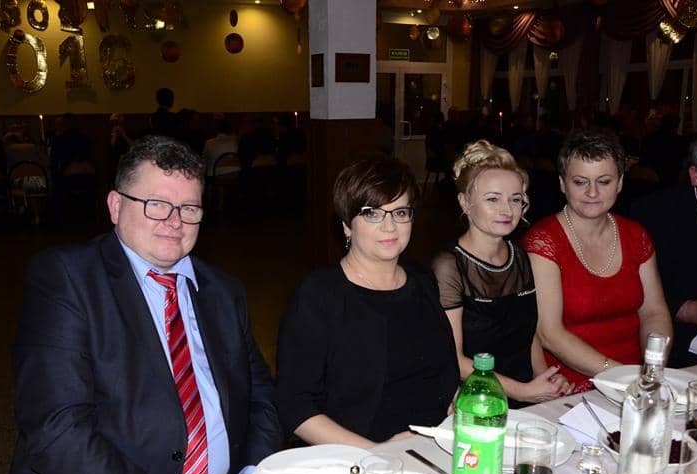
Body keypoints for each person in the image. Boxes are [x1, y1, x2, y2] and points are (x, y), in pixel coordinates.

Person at [0, 136, 282, 474]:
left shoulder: (223, 291)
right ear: (116, 206)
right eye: (157, 204)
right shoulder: (67, 279)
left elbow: (262, 399)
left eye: (189, 208)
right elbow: (56, 426)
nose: (175, 221)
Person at [275, 155, 459, 448]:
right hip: (359, 456)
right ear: (347, 225)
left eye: (400, 213)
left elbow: (444, 370)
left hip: (436, 445)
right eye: (373, 213)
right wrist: (378, 453)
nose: (390, 227)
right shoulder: (319, 295)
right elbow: (294, 406)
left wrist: (457, 406)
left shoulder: (423, 279)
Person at [524, 128, 672, 392]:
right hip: (571, 387)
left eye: (604, 181)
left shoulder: (636, 235)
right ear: (562, 184)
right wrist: (622, 376)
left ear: (620, 182)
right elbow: (549, 333)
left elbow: (654, 312)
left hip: (636, 378)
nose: (592, 192)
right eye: (580, 182)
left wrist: (653, 367)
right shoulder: (543, 241)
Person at [433, 140, 573, 408]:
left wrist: (545, 379)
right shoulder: (449, 266)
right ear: (465, 202)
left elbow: (527, 334)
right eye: (493, 199)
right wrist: (523, 392)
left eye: (515, 199)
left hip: (527, 395)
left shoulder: (519, 255)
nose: (507, 210)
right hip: (479, 401)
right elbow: (455, 360)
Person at [632, 128, 697, 367]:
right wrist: (688, 309)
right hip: (684, 360)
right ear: (695, 176)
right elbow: (629, 287)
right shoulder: (656, 216)